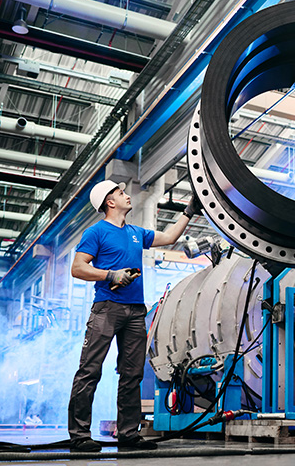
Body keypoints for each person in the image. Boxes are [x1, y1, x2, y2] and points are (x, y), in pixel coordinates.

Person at [68, 180, 201, 452]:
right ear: (110, 202)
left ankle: (128, 434)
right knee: (90, 370)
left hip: (135, 311)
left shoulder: (135, 233)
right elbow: (78, 268)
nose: (127, 195)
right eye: (121, 193)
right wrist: (110, 275)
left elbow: (169, 237)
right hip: (107, 307)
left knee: (132, 374)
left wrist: (189, 210)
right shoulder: (96, 232)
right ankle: (79, 436)